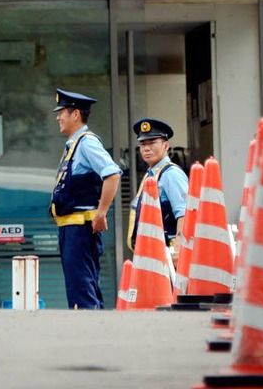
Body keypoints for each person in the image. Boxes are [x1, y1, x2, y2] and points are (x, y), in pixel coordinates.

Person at [50, 88, 121, 310]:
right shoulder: (74, 144)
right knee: (81, 286)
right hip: (71, 228)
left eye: (62, 111)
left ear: (76, 114)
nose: (58, 117)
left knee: (82, 289)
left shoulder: (87, 143)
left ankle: (89, 334)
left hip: (80, 228)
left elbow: (112, 174)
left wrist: (101, 213)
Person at [127, 118, 189, 263]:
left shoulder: (171, 174)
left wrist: (179, 249)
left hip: (167, 255)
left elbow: (184, 213)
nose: (146, 148)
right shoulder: (152, 174)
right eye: (143, 144)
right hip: (151, 254)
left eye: (152, 143)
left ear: (166, 146)